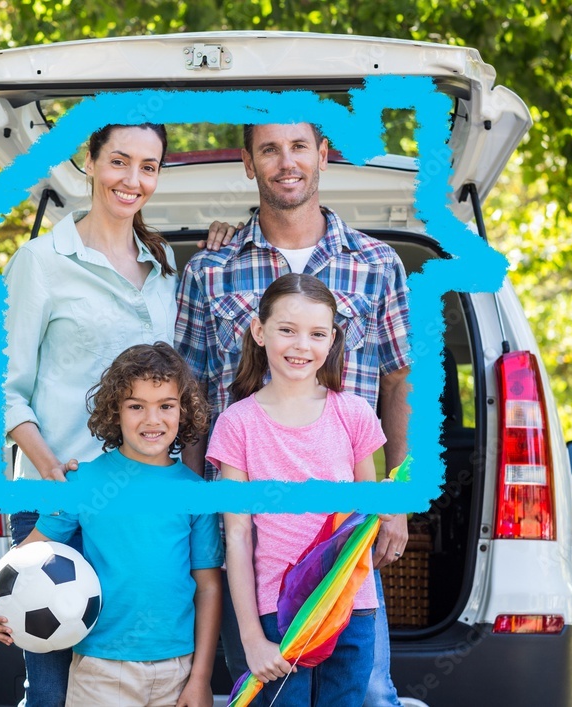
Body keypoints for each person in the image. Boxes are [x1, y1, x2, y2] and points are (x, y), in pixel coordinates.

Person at [0, 122, 232, 707]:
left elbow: (178, 367)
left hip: (145, 507)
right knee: (52, 691)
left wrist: (213, 259)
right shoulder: (39, 262)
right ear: (89, 162)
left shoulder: (167, 265)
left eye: (148, 167)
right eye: (119, 161)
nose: (132, 179)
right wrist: (50, 468)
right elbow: (1, 387)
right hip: (61, 503)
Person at [174, 122, 410, 706]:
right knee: (267, 683)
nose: (287, 161)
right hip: (253, 539)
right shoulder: (210, 269)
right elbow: (192, 398)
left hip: (344, 538)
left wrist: (396, 504)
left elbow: (401, 379)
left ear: (323, 155)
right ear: (249, 164)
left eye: (300, 146)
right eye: (269, 149)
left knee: (367, 691)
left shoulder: (378, 263)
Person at [0, 342, 224, 707]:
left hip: (177, 669)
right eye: (136, 406)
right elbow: (35, 548)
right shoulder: (83, 483)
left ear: (183, 412)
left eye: (166, 406)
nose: (152, 420)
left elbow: (209, 587)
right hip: (100, 669)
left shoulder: (197, 494)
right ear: (115, 412)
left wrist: (200, 677)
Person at [207, 273, 390, 706]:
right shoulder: (237, 423)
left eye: (316, 334)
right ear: (259, 331)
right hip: (279, 611)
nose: (301, 345)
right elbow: (237, 536)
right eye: (287, 330)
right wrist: (251, 639)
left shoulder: (354, 413)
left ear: (331, 341)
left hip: (351, 604)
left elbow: (370, 513)